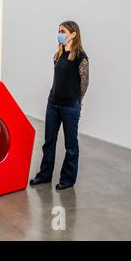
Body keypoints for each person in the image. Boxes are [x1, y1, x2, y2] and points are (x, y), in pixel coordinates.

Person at [30, 21, 89, 190]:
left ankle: (67, 179)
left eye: (63, 31)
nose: (60, 34)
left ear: (73, 34)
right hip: (53, 104)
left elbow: (84, 83)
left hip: (70, 107)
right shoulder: (58, 55)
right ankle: (44, 175)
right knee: (49, 141)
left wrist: (78, 99)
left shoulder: (81, 58)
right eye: (58, 31)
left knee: (71, 145)